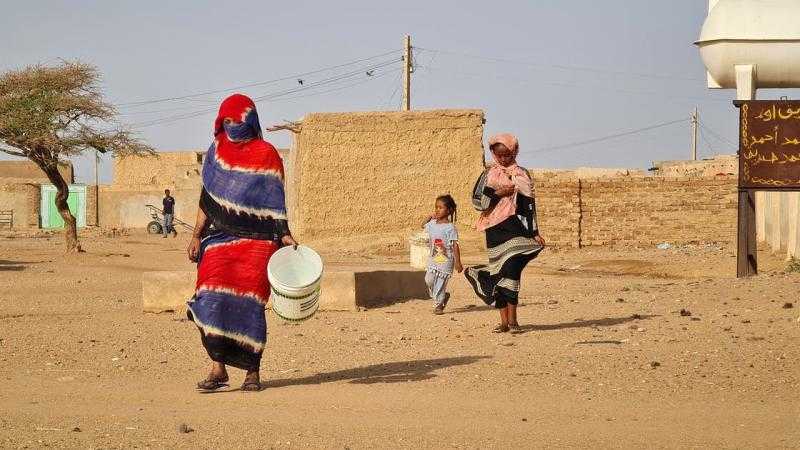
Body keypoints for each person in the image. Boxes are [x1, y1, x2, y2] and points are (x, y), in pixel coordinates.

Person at [186, 94, 297, 392]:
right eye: (228, 120)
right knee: (209, 298)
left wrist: (284, 234)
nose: (233, 126)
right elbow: (207, 200)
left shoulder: (267, 154)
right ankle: (218, 369)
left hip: (257, 242)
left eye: (238, 120)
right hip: (219, 240)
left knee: (250, 305)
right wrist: (196, 234)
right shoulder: (215, 154)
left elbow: (275, 201)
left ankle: (252, 372)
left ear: (251, 120)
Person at [465, 133, 545, 333]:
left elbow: (528, 205)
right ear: (493, 153)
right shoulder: (488, 175)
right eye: (499, 155)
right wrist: (499, 193)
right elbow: (478, 202)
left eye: (507, 155)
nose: (503, 159)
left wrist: (534, 232)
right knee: (500, 274)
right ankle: (503, 322)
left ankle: (514, 321)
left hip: (515, 227)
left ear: (514, 152)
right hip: (494, 230)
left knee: (512, 272)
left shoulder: (521, 174)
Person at [421, 194, 463, 315]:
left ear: (449, 210)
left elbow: (455, 245)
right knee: (428, 280)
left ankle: (439, 305)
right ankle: (443, 297)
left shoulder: (450, 228)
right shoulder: (432, 224)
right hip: (433, 258)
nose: (437, 210)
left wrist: (458, 262)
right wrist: (429, 217)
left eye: (440, 207)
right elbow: (422, 225)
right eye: (436, 207)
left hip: (445, 260)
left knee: (440, 282)